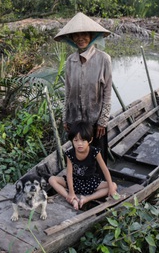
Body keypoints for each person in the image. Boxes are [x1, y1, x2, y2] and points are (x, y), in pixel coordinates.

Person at [54, 12, 113, 164]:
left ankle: (102, 185)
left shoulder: (103, 59)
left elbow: (107, 92)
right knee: (79, 160)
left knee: (98, 159)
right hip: (75, 120)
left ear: (92, 35)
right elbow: (68, 92)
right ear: (71, 38)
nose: (80, 38)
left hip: (95, 121)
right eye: (76, 35)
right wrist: (66, 117)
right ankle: (80, 185)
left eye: (84, 34)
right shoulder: (70, 61)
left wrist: (103, 121)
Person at [48, 121, 117, 210]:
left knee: (113, 185)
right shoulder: (70, 153)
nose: (79, 144)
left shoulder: (95, 152)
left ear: (90, 140)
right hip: (75, 182)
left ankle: (86, 199)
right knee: (52, 179)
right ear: (72, 140)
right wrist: (71, 192)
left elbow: (105, 169)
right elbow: (69, 174)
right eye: (76, 140)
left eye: (83, 140)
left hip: (90, 182)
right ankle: (72, 199)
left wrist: (111, 188)